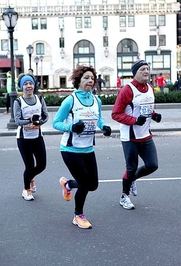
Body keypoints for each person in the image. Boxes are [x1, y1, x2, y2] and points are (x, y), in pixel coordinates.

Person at [52, 65, 112, 229]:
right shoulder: (70, 100)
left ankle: (68, 184)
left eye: (92, 78)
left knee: (93, 185)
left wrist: (104, 127)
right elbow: (55, 123)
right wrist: (71, 128)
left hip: (88, 149)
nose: (90, 81)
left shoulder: (96, 100)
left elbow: (98, 119)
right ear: (78, 80)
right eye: (86, 78)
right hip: (70, 150)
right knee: (85, 184)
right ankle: (78, 215)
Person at [111, 59, 161, 210]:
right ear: (135, 73)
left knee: (152, 165)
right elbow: (116, 114)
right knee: (131, 167)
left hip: (145, 135)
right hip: (130, 137)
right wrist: (134, 121)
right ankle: (124, 196)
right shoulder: (127, 90)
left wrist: (154, 115)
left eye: (147, 68)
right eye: (142, 69)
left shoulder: (150, 88)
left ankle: (132, 179)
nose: (146, 71)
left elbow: (145, 109)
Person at [14, 73, 49, 201]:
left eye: (30, 83)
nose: (28, 86)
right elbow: (17, 121)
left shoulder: (40, 99)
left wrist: (39, 122)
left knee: (42, 165)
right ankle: (26, 189)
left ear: (34, 85)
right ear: (21, 87)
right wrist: (29, 120)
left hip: (37, 137)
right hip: (24, 139)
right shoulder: (18, 101)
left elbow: (45, 116)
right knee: (29, 166)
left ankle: (30, 178)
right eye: (25, 84)